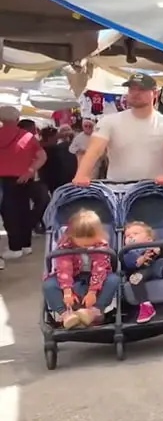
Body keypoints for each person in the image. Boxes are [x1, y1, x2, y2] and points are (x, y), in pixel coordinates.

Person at [73, 73, 163, 187]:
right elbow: (94, 150)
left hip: (155, 191)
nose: (135, 93)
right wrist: (81, 175)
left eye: (141, 89)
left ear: (155, 93)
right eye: (132, 89)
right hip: (118, 191)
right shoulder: (109, 121)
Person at [44, 209, 119, 328]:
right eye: (82, 243)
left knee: (114, 279)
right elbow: (64, 268)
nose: (87, 245)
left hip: (96, 279)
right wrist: (67, 291)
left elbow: (100, 268)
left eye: (90, 241)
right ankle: (65, 315)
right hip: (71, 278)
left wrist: (92, 291)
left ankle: (94, 311)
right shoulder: (65, 245)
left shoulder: (101, 245)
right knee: (48, 284)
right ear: (71, 236)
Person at [0, 105, 46, 260]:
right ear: (17, 119)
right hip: (25, 178)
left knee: (9, 213)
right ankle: (26, 245)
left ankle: (15, 247)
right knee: (24, 210)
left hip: (4, 179)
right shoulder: (27, 136)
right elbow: (42, 156)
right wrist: (30, 171)